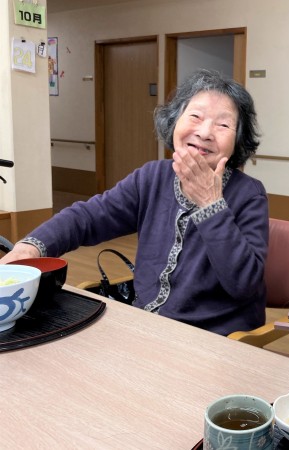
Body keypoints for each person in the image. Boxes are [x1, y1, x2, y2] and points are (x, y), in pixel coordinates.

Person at [1, 69, 269, 336]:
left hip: (212, 338)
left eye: (223, 125)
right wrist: (31, 247)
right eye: (195, 116)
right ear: (175, 121)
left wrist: (210, 205)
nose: (205, 132)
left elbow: (244, 284)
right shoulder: (152, 177)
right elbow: (89, 217)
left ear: (238, 140)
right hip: (144, 325)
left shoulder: (249, 194)